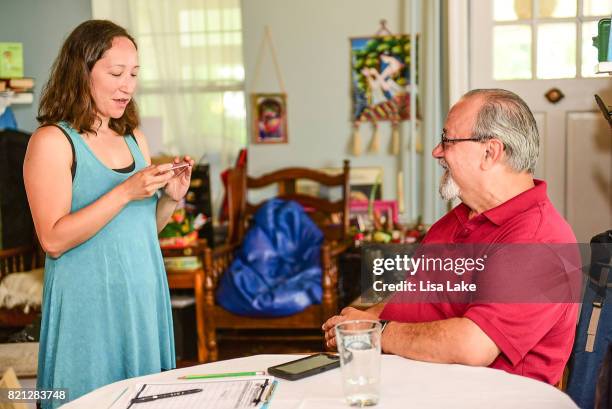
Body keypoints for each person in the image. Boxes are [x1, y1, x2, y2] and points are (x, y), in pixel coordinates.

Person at [323, 89, 579, 386]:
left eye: (448, 140)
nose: (437, 151)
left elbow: (473, 345)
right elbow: (417, 299)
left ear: (490, 152)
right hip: (419, 385)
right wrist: (358, 320)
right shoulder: (458, 218)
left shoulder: (539, 242)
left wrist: (375, 331)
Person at [23, 20, 194, 407]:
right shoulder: (52, 141)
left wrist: (170, 199)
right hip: (88, 309)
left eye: (134, 73)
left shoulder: (135, 138)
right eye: (116, 73)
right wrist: (125, 192)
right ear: (81, 72)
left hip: (142, 299)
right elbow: (52, 239)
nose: (128, 85)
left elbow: (140, 230)